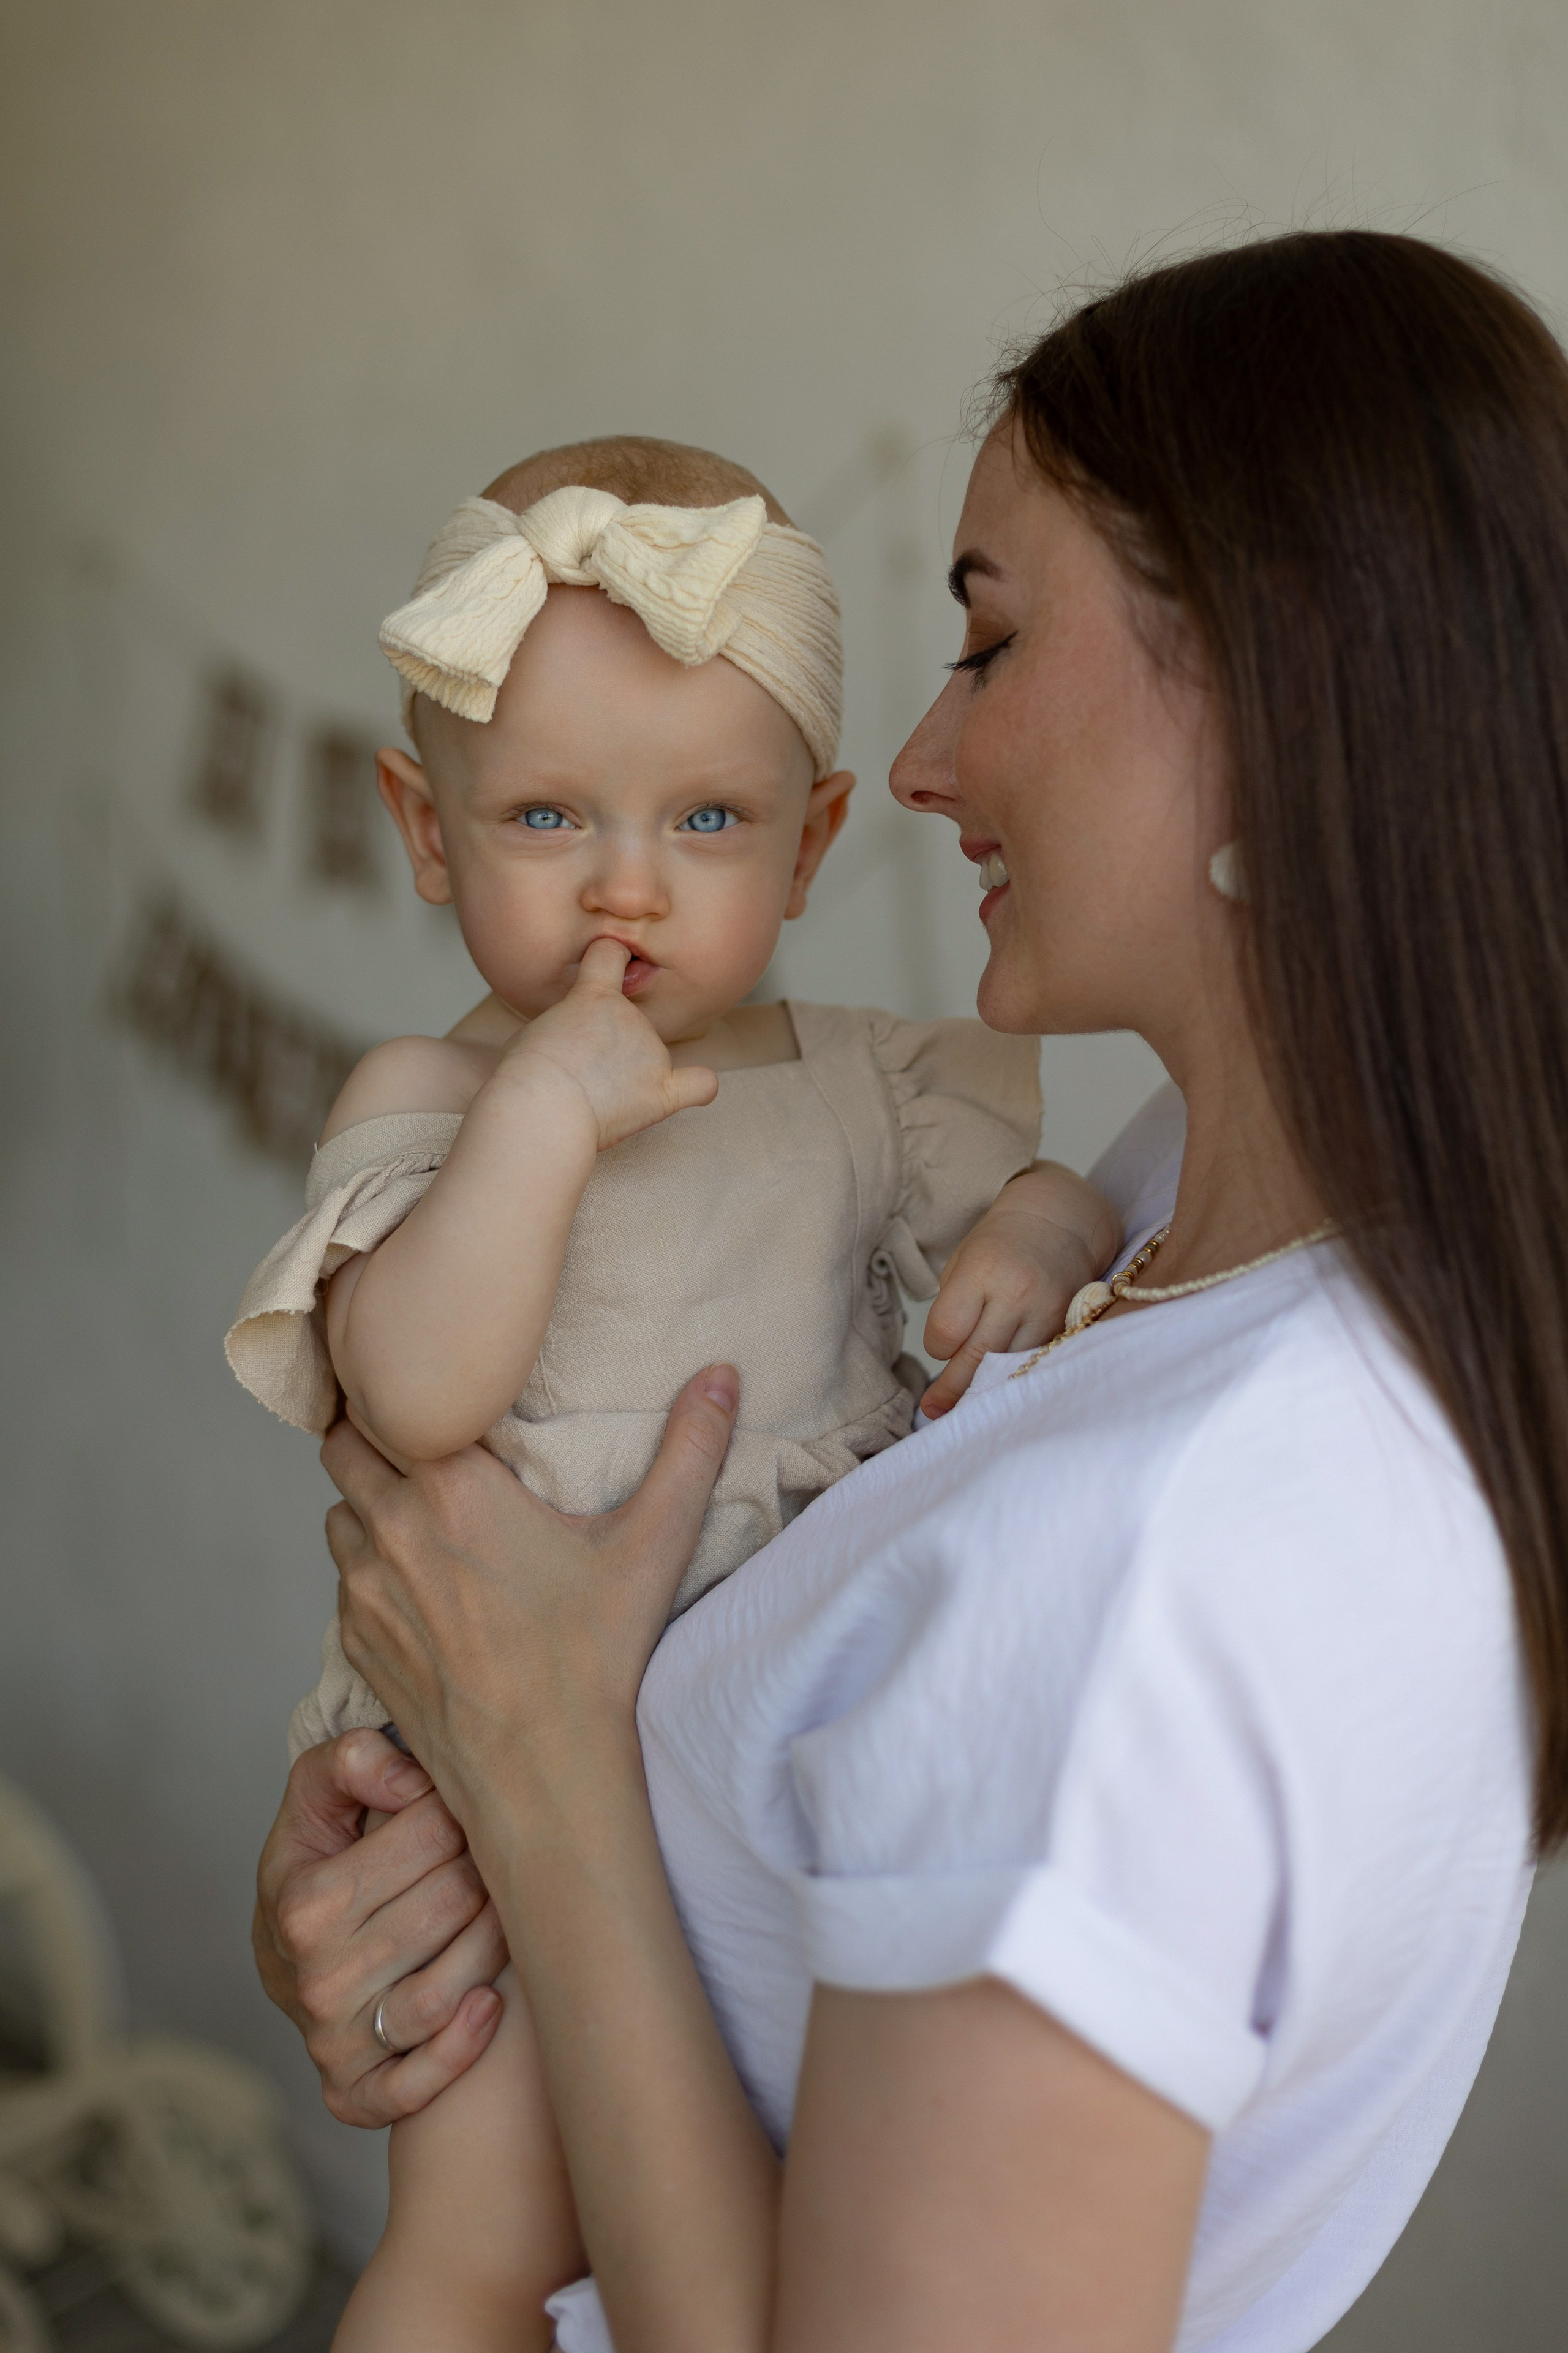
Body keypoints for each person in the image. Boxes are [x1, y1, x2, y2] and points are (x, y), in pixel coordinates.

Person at [253, 230, 1568, 2353]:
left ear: (1268, 686)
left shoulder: (1182, 1559)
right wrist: (412, 1888)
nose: (928, 767)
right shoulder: (1165, 1211)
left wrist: (542, 1761)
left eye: (990, 645)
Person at [227, 434, 1118, 2349]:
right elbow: (410, 1388)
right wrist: (538, 1118)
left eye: (705, 824)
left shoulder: (873, 1081)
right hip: (485, 1784)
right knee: (484, 2245)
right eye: (548, 818)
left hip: (789, 1754)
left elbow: (1046, 1207)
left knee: (764, 2220)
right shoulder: (432, 1101)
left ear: (809, 841)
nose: (627, 890)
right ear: (425, 827)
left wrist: (1038, 1231)